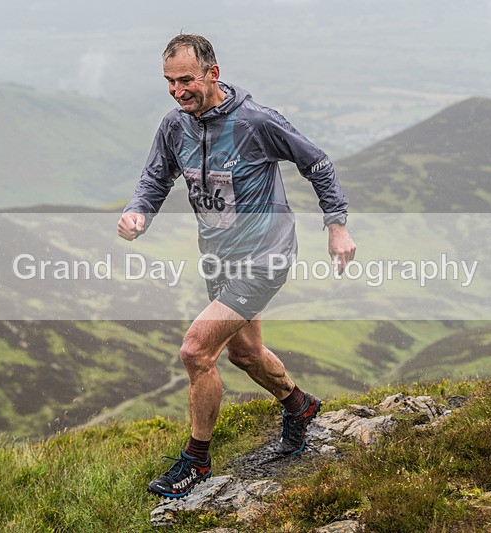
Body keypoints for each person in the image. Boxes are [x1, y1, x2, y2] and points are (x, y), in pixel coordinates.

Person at [117, 33, 356, 499]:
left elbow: (319, 164)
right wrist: (138, 213)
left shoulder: (256, 122)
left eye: (186, 79)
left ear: (213, 74)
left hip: (265, 256)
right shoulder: (174, 126)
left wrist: (337, 225)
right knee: (244, 353)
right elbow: (154, 179)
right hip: (218, 256)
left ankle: (196, 462)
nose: (177, 90)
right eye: (169, 81)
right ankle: (300, 407)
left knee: (195, 350)